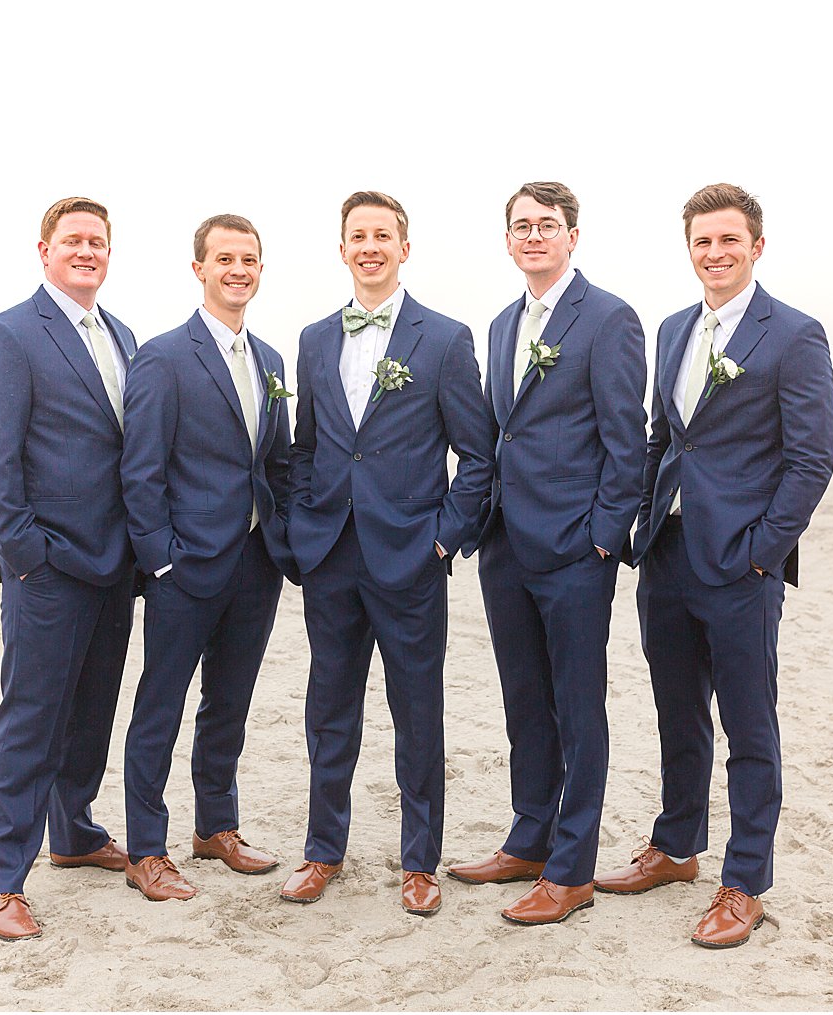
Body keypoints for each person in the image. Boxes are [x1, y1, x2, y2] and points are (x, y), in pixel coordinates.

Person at [596, 183, 833, 948]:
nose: (715, 253)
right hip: (666, 557)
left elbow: (811, 460)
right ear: (689, 248)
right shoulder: (672, 330)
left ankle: (745, 882)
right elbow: (664, 437)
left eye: (729, 240)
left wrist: (763, 552)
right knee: (677, 712)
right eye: (703, 241)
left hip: (741, 568)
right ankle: (675, 847)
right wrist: (642, 524)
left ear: (756, 247)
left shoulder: (794, 335)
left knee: (749, 724)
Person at [279, 191, 494, 916]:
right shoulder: (313, 339)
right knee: (328, 709)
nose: (369, 246)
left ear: (405, 247)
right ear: (342, 249)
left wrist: (441, 536)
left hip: (410, 558)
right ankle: (322, 851)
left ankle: (419, 861)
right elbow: (306, 446)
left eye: (383, 235)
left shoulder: (444, 338)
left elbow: (479, 455)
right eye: (357, 236)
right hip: (331, 555)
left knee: (417, 710)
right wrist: (307, 529)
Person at [447, 182, 647, 925]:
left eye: (548, 225)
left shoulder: (608, 318)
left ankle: (571, 868)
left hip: (572, 552)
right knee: (523, 701)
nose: (534, 235)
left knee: (576, 705)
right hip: (506, 546)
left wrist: (599, 537)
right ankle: (529, 837)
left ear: (572, 236)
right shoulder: (502, 324)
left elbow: (626, 444)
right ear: (508, 241)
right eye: (521, 226)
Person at [0, 196, 139, 941]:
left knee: (93, 711)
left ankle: (73, 831)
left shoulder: (123, 336)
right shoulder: (9, 335)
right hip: (48, 567)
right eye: (73, 240)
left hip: (113, 564)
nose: (87, 251)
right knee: (32, 718)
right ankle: (3, 879)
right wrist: (26, 556)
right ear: (44, 252)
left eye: (97, 241)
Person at [118, 214, 297, 902]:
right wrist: (161, 558)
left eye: (248, 259)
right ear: (199, 268)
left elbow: (276, 461)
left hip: (254, 566)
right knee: (159, 704)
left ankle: (216, 826)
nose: (238, 269)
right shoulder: (163, 357)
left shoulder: (271, 362)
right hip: (184, 567)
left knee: (229, 703)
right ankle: (146, 848)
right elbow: (142, 471)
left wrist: (279, 544)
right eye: (224, 258)